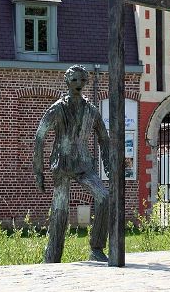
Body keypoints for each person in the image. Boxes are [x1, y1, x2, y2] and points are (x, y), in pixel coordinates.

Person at [33, 65, 110, 263]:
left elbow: (103, 136)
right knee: (60, 211)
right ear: (67, 81)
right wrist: (38, 171)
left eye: (82, 80)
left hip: (83, 164)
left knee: (104, 197)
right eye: (75, 80)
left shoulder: (91, 111)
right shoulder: (58, 108)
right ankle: (52, 257)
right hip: (62, 165)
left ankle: (97, 248)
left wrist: (107, 163)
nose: (79, 84)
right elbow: (40, 137)